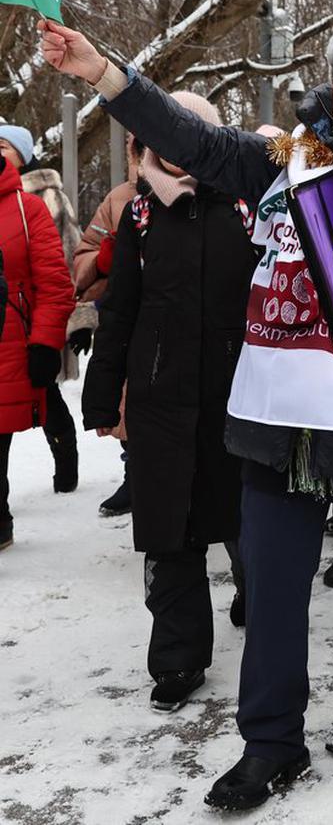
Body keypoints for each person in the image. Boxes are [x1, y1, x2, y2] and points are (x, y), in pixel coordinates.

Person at [39, 17, 333, 812]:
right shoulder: (287, 160)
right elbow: (193, 142)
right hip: (279, 410)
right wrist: (105, 75)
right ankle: (270, 742)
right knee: (270, 583)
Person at [82, 91, 257, 713]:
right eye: (165, 139)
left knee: (247, 523)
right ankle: (178, 657)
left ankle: (258, 608)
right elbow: (120, 308)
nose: (175, 152)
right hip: (162, 400)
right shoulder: (140, 216)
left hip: (241, 395)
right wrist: (103, 397)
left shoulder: (249, 205)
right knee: (169, 532)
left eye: (190, 137)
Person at [0, 125, 87, 493]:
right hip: (17, 319)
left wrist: (68, 323)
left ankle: (66, 457)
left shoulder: (43, 197)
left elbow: (67, 260)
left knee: (44, 395)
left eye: (3, 145)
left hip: (36, 320)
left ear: (22, 153)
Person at [72, 132, 143, 516]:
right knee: (127, 402)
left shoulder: (205, 189)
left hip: (184, 316)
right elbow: (82, 256)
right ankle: (135, 476)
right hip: (128, 319)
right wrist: (101, 262)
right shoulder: (118, 198)